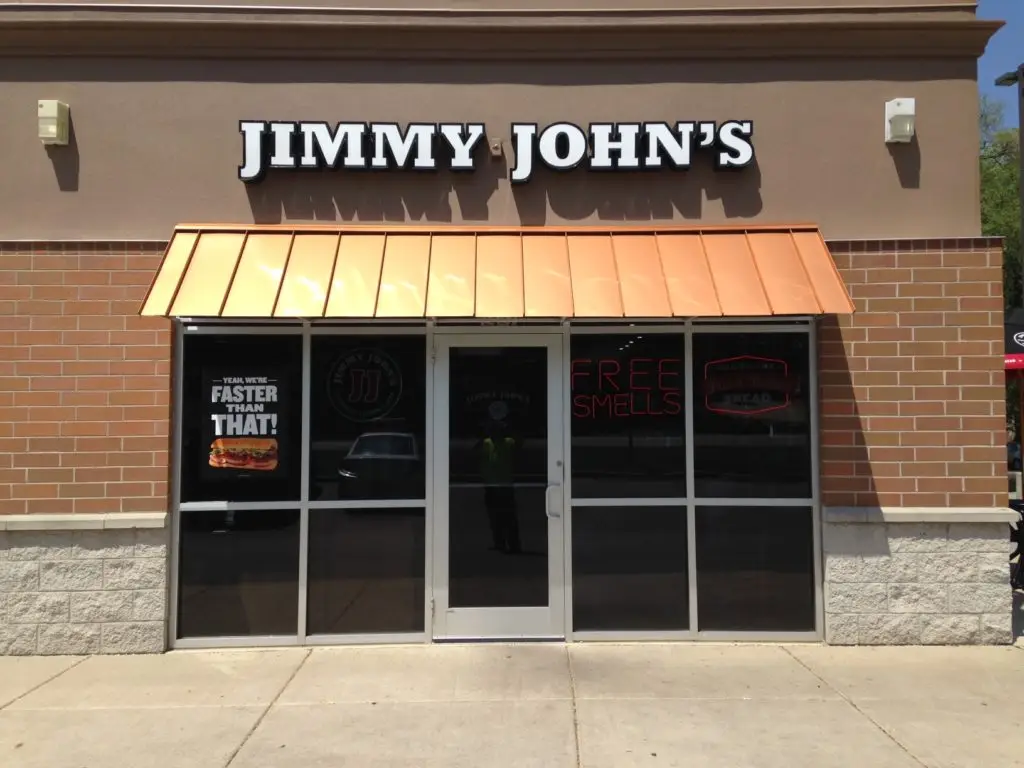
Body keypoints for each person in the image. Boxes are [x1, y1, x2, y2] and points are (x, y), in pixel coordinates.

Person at [477, 417, 522, 554]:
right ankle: (500, 542)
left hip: (504, 484)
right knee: (495, 515)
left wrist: (507, 428)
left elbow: (520, 442)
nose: (494, 431)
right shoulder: (486, 443)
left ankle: (513, 544)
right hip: (491, 484)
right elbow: (475, 449)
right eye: (492, 429)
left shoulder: (508, 442)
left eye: (496, 429)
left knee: (508, 516)